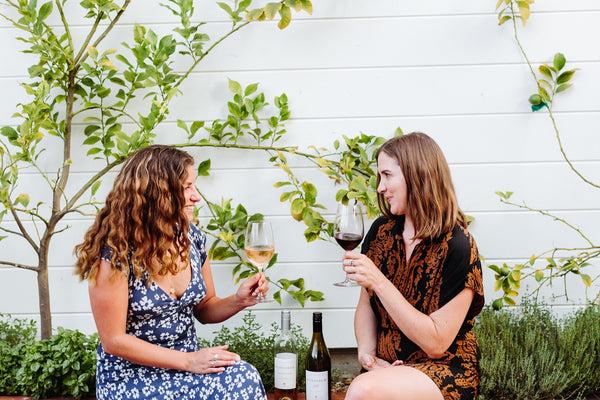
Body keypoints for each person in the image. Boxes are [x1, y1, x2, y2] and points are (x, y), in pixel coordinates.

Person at [75, 145, 269, 400]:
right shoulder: (116, 252)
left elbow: (206, 308)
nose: (196, 196)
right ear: (158, 193)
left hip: (188, 367)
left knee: (244, 376)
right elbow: (114, 340)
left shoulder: (193, 240)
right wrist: (188, 361)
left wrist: (239, 300)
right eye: (187, 187)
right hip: (132, 376)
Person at [343, 132, 485, 400]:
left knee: (364, 390)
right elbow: (366, 306)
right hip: (387, 366)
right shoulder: (381, 232)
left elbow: (436, 343)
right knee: (368, 384)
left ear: (416, 175)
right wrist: (369, 357)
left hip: (443, 368)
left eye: (387, 175)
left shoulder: (458, 246)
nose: (380, 188)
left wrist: (380, 281)